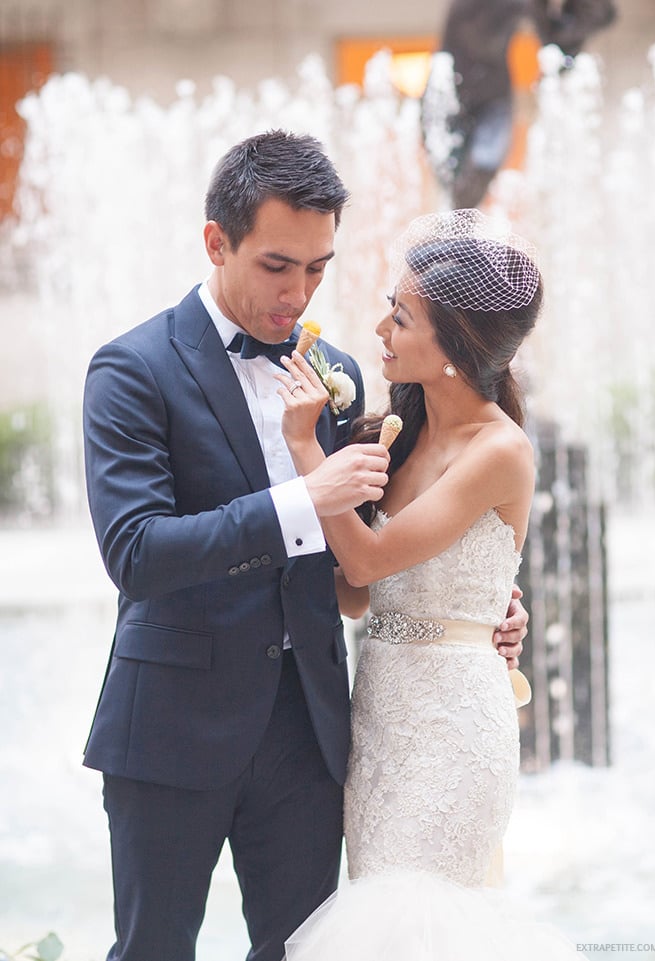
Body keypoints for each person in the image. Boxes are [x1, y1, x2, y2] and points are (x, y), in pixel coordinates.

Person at [82, 131, 528, 961]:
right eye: (278, 265)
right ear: (218, 241)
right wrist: (300, 499)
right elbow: (136, 552)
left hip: (315, 734)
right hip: (173, 728)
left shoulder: (340, 372)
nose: (301, 290)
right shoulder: (131, 369)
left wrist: (485, 604)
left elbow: (390, 541)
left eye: (319, 267)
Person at [276, 209, 577, 959]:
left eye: (400, 317)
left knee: (423, 921)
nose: (382, 329)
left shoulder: (499, 450)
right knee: (379, 920)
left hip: (453, 730)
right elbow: (357, 591)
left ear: (452, 348)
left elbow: (371, 558)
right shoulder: (395, 432)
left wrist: (305, 449)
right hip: (380, 715)